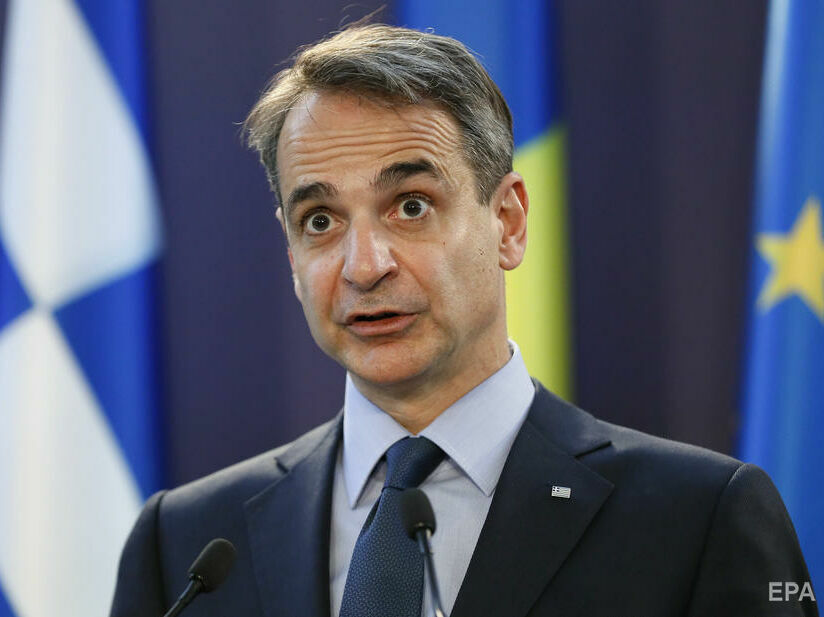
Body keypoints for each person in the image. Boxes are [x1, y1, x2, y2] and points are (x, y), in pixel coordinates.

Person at [110, 24, 817, 617]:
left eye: (410, 205)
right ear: (292, 253)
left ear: (507, 222)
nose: (364, 266)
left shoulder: (697, 520)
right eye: (320, 220)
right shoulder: (186, 545)